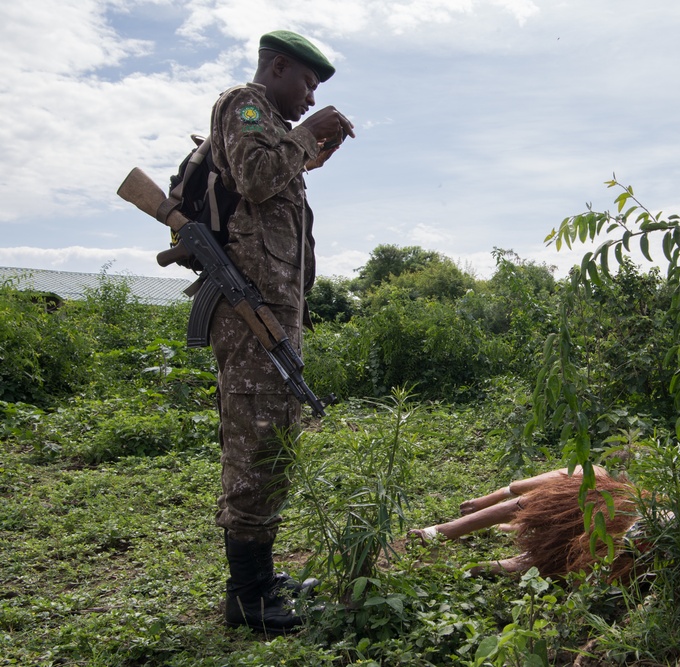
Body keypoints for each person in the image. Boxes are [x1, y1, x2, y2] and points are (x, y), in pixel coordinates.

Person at [208, 30, 355, 633]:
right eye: (307, 83)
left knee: (275, 446)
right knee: (255, 449)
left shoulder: (270, 125)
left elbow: (269, 181)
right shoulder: (244, 105)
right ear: (277, 68)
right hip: (247, 319)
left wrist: (312, 150)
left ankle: (262, 579)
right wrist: (303, 132)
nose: (310, 95)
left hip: (271, 318)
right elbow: (257, 178)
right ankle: (246, 597)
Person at [409, 466, 657, 583]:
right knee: (589, 472)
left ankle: (475, 566)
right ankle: (494, 498)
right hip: (613, 516)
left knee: (540, 563)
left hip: (613, 547)